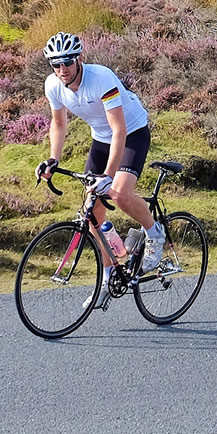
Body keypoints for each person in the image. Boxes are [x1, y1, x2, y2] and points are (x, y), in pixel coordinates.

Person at [33, 32, 167, 273]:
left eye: (67, 62)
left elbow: (119, 130)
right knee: (91, 211)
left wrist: (108, 174)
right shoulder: (52, 85)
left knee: (119, 194)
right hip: (101, 139)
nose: (62, 69)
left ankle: (154, 233)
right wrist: (53, 159)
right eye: (56, 64)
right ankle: (109, 273)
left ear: (79, 59)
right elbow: (59, 124)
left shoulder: (101, 78)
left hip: (132, 133)